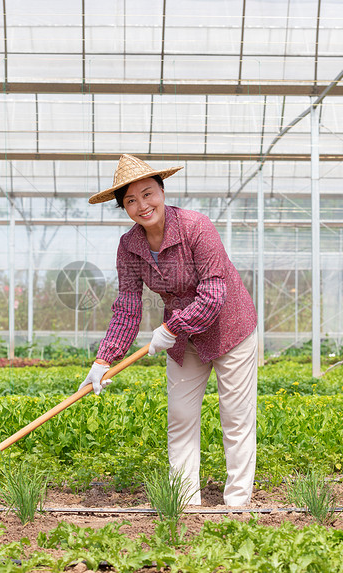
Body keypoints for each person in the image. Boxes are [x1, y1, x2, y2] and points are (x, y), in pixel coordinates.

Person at [78, 154, 259, 507]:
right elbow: (128, 305)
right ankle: (186, 503)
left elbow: (214, 294)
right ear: (124, 207)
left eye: (148, 194)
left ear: (162, 190)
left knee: (235, 418)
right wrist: (104, 359)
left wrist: (170, 327)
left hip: (229, 328)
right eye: (130, 200)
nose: (142, 205)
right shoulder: (129, 246)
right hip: (182, 339)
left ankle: (237, 505)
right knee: (180, 415)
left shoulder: (196, 227)